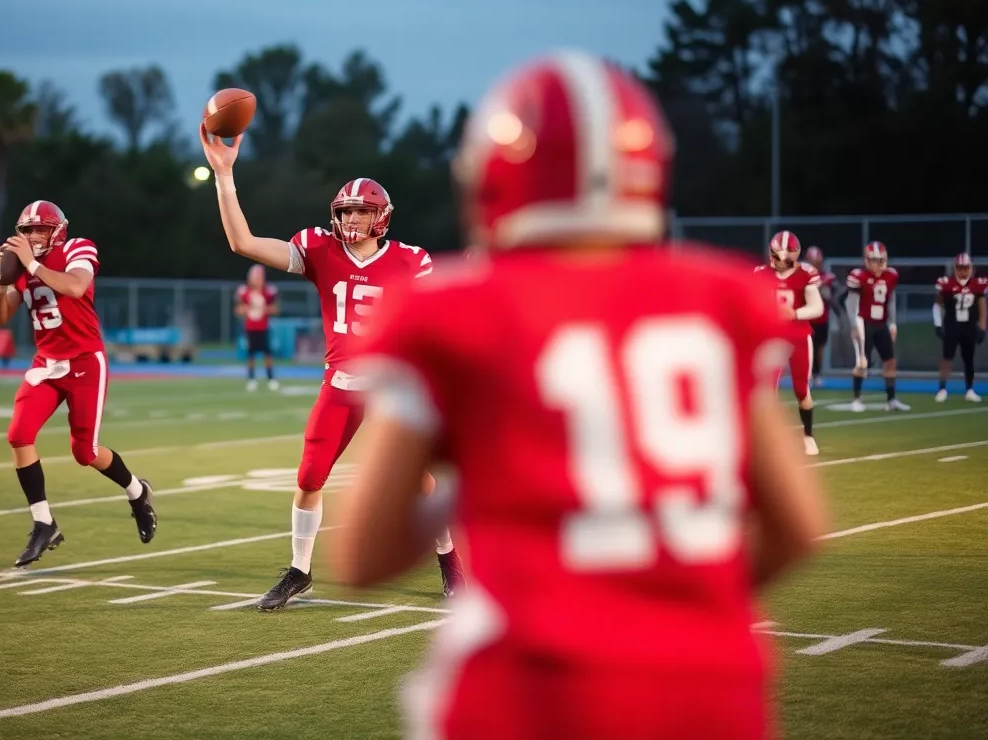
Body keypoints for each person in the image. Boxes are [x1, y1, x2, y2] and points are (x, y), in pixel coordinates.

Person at [331, 51, 827, 740]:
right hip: (708, 694)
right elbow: (800, 526)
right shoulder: (721, 299)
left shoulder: (453, 309)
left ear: (490, 182)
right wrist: (677, 602)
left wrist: (477, 483)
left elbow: (361, 557)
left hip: (524, 695)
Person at [198, 126, 465, 611]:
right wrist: (224, 176)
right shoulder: (319, 248)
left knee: (419, 475)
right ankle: (300, 570)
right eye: (347, 212)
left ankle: (449, 559)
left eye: (363, 212)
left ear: (381, 216)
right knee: (309, 477)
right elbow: (243, 243)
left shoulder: (411, 260)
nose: (353, 221)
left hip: (390, 387)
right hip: (340, 383)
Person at [0, 200, 157, 568]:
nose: (32, 236)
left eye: (40, 229)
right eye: (27, 230)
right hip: (46, 363)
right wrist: (1, 285)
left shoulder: (77, 248)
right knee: (18, 434)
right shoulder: (21, 263)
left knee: (85, 452)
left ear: (57, 230)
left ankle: (137, 491)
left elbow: (77, 287)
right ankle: (43, 522)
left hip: (84, 362)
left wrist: (32, 265)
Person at [754, 232, 824, 455]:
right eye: (778, 257)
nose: (781, 263)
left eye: (787, 259)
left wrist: (792, 313)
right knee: (767, 389)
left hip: (798, 337)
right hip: (773, 338)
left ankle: (808, 435)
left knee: (801, 390)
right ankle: (770, 439)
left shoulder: (806, 274)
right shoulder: (761, 274)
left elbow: (817, 308)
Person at [846, 242, 910, 412]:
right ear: (866, 260)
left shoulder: (890, 275)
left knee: (890, 361)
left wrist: (893, 322)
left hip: (881, 324)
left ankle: (891, 400)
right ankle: (856, 399)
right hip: (863, 322)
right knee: (862, 362)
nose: (877, 264)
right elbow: (850, 303)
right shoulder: (858, 276)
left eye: (880, 260)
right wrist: (854, 325)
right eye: (873, 260)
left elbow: (891, 300)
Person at [934, 252, 987, 402]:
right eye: (960, 268)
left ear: (971, 268)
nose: (963, 271)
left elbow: (982, 306)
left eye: (966, 268)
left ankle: (969, 389)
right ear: (955, 268)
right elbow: (937, 305)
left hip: (969, 326)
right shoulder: (947, 284)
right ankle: (942, 388)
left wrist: (982, 328)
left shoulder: (978, 284)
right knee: (947, 358)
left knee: (969, 359)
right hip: (952, 325)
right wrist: (937, 324)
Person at [236, 264, 280, 391]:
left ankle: (270, 378)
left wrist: (264, 308)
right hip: (250, 326)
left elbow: (275, 309)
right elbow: (238, 309)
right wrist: (246, 309)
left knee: (267, 353)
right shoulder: (245, 291)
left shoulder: (268, 291)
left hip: (264, 326)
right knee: (251, 354)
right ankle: (251, 378)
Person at [803, 245, 837, 387]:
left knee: (819, 348)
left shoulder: (826, 277)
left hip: (821, 318)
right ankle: (806, 375)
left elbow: (828, 296)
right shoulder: (802, 276)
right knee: (806, 348)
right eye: (812, 261)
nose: (814, 264)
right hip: (806, 318)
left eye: (816, 261)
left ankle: (817, 374)